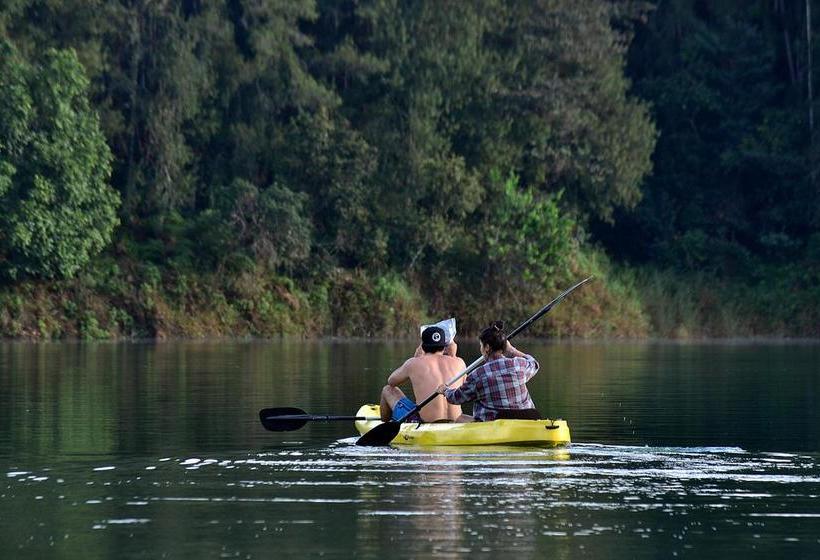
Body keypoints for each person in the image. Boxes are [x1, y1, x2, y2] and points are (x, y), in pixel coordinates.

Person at [436, 321, 541, 422]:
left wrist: (445, 390)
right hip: (527, 419)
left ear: (487, 348)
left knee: (458, 418)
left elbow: (456, 398)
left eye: (481, 345)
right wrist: (512, 350)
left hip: (494, 426)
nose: (481, 349)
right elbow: (534, 364)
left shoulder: (478, 375)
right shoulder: (519, 365)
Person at [380, 326, 466, 423]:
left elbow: (391, 381)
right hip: (456, 421)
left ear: (422, 346)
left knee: (387, 390)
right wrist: (453, 356)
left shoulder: (413, 363)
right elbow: (464, 386)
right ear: (444, 346)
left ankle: (384, 424)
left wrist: (415, 357)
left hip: (426, 423)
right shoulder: (460, 362)